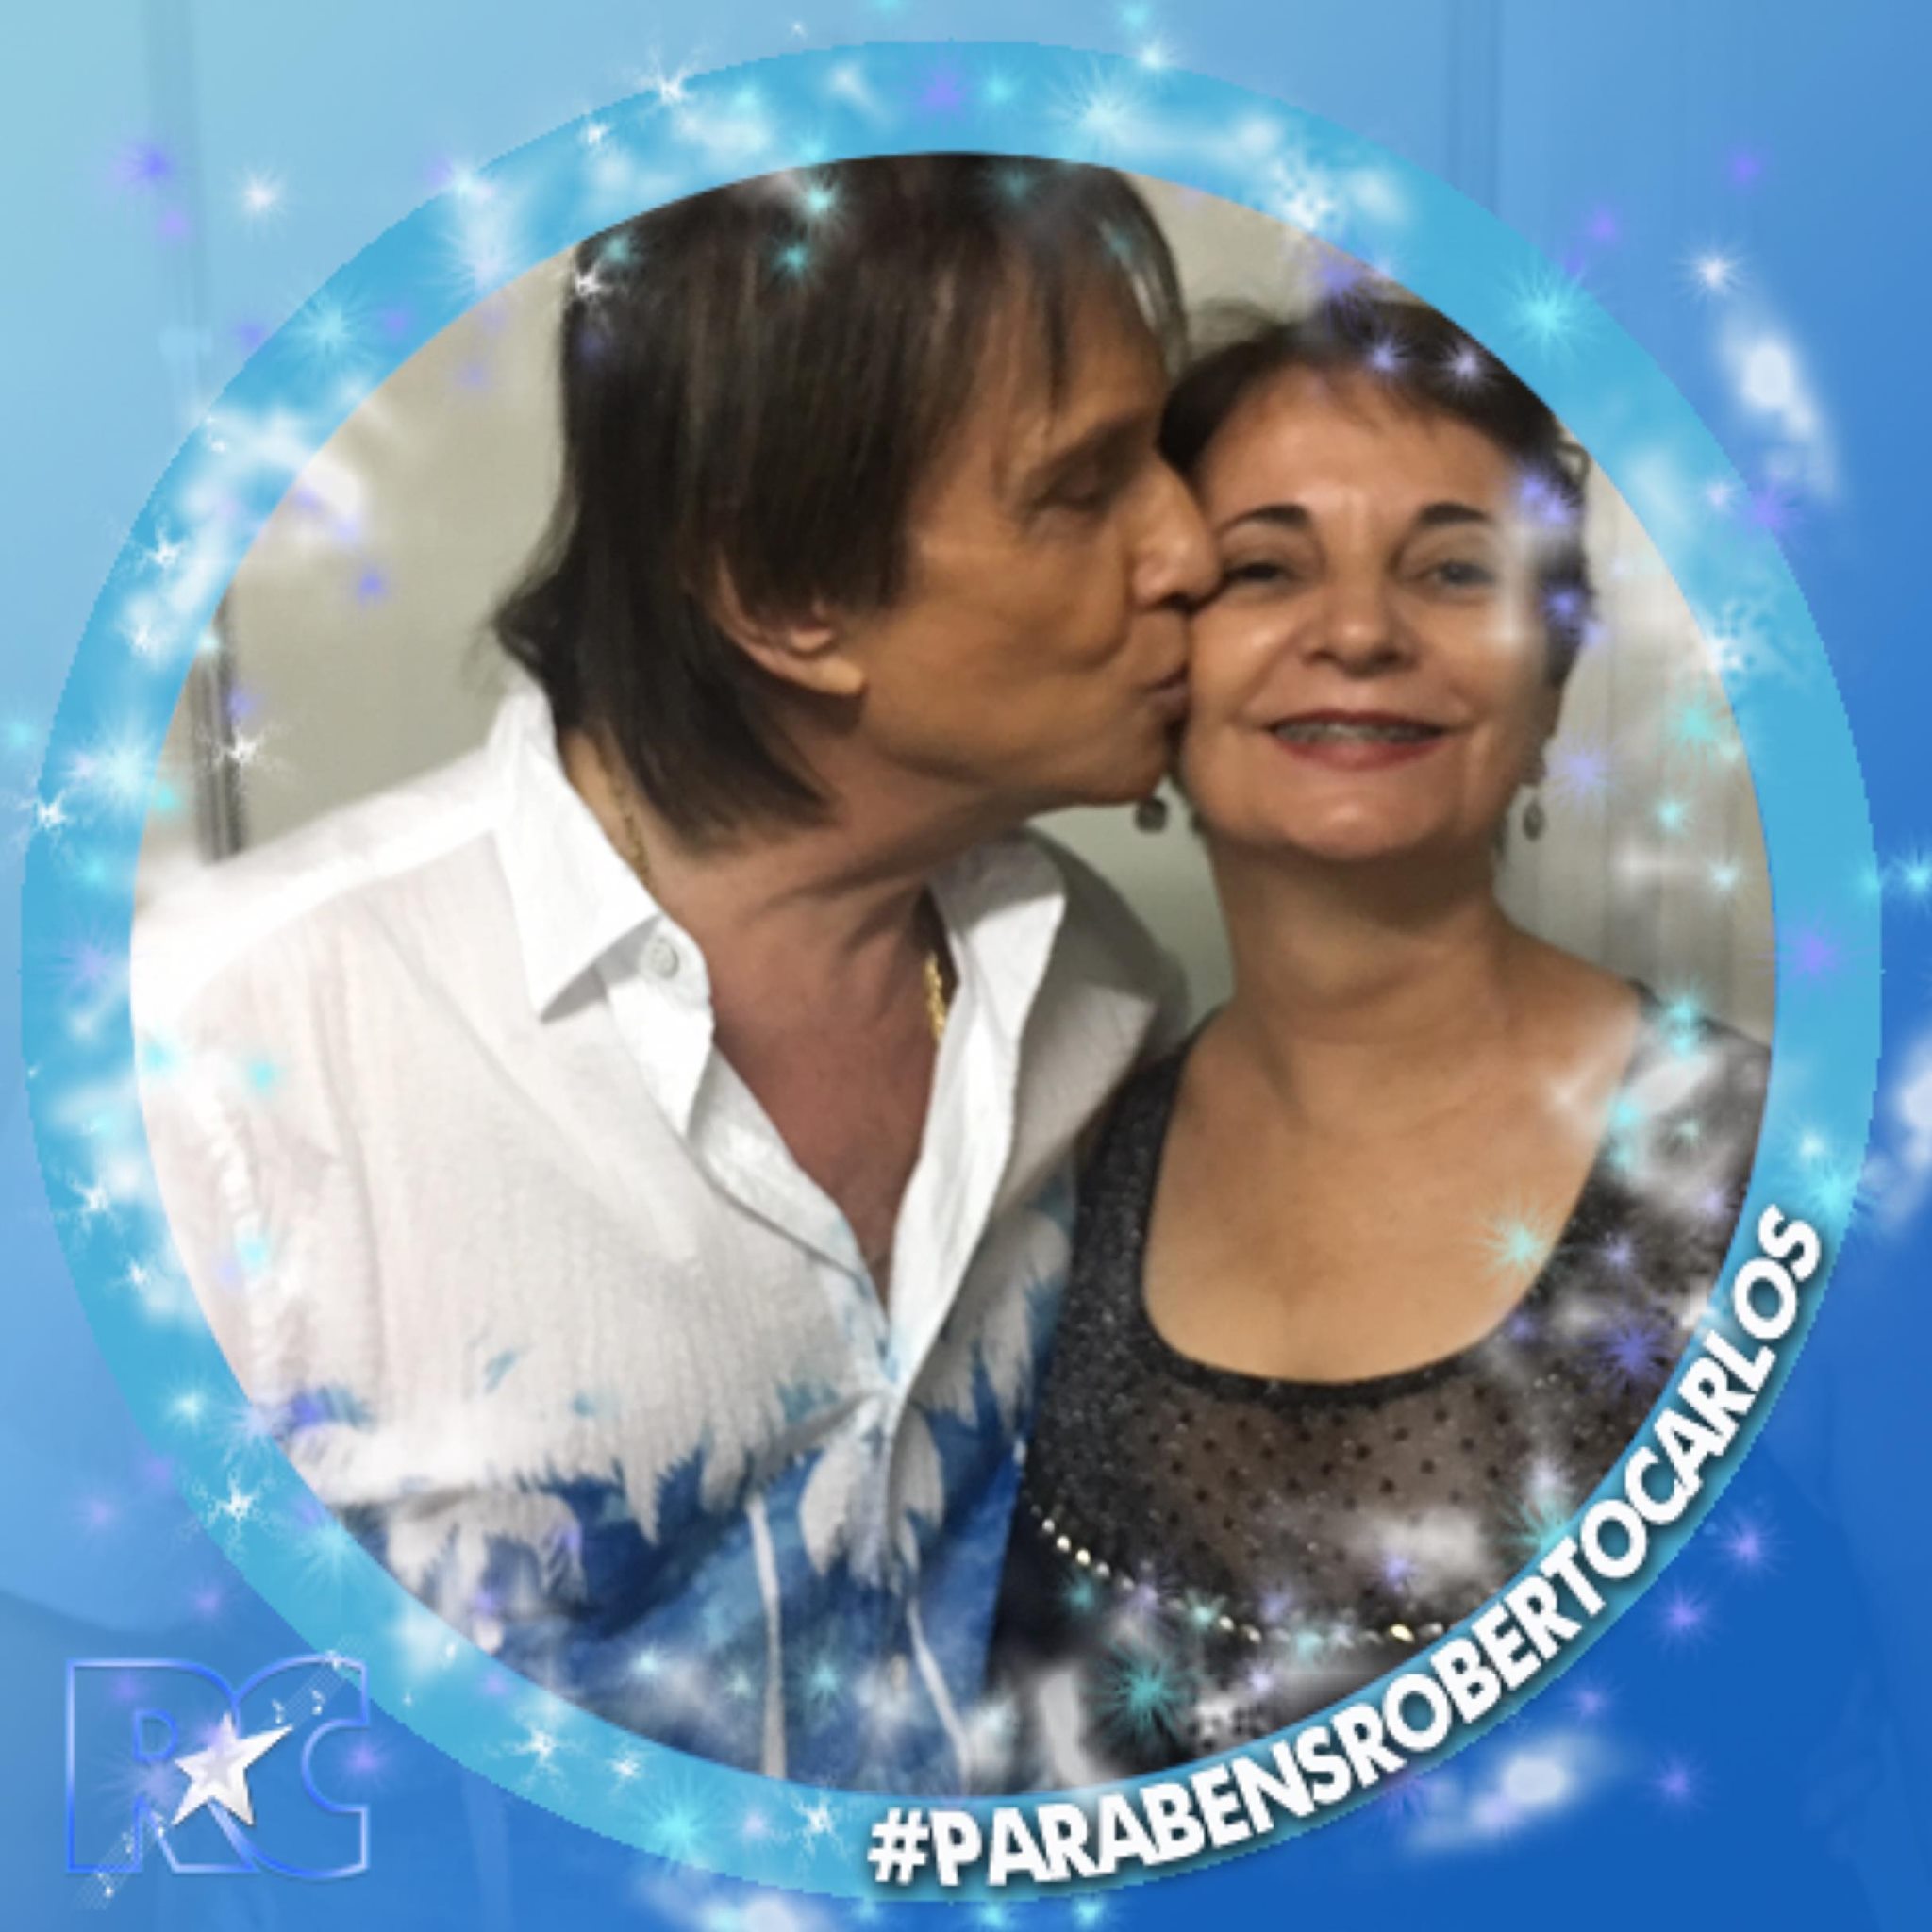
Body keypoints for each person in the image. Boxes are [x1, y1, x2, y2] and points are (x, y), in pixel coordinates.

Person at [133, 155, 1218, 1793]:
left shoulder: (1103, 994)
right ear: (784, 593)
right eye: (1082, 489)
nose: (1191, 547)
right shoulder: (219, 1054)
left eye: (1165, 455)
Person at [989, 292, 1770, 1785]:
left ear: (1549, 683)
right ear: (1161, 668)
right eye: (1265, 569)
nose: (1358, 633)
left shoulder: (1773, 1175)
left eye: (1453, 571)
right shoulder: (1046, 1158)